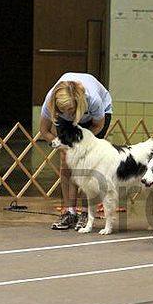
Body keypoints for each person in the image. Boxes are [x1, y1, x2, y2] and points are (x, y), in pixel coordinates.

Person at [40, 72, 112, 230]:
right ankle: (69, 212)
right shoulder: (50, 101)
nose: (68, 113)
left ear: (77, 101)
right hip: (67, 123)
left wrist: (82, 146)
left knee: (88, 163)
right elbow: (44, 130)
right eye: (62, 109)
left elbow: (98, 125)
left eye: (70, 109)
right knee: (66, 163)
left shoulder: (93, 99)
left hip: (94, 121)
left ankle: (86, 213)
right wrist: (62, 146)